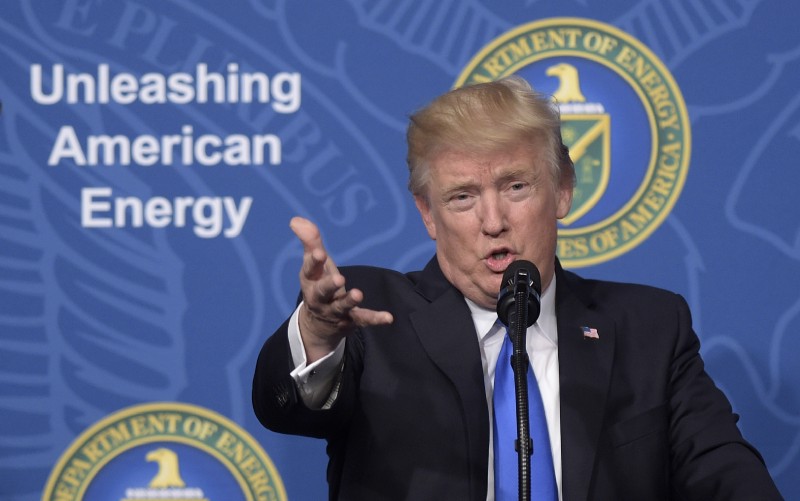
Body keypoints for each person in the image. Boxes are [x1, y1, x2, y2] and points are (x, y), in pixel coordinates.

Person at [252, 76, 782, 500]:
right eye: (462, 197)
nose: (493, 221)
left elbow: (720, 468)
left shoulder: (649, 326)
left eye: (516, 186)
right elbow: (283, 409)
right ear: (428, 214)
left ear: (563, 192)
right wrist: (319, 332)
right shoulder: (371, 316)